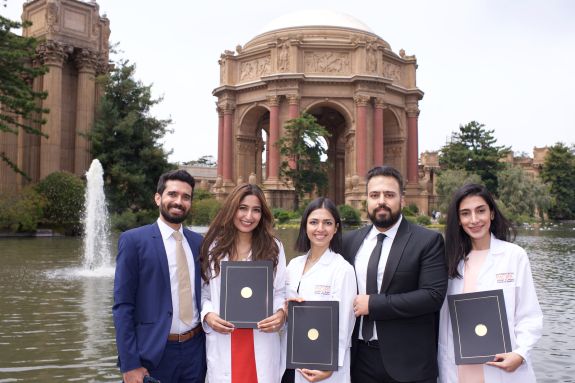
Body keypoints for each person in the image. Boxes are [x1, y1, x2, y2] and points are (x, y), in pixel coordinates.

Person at [341, 165, 448, 383]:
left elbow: (432, 296)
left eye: (389, 195)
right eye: (374, 195)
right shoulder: (349, 242)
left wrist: (374, 304)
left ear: (402, 200)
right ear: (367, 200)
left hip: (408, 363)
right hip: (358, 360)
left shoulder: (427, 241)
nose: (381, 201)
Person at [438, 183, 543, 383]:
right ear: (458, 220)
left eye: (481, 211)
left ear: (492, 214)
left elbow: (529, 315)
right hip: (456, 367)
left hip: (501, 366)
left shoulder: (514, 256)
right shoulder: (448, 260)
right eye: (465, 213)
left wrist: (520, 354)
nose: (474, 220)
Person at [113, 169, 206, 383]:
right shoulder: (134, 241)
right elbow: (123, 306)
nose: (179, 201)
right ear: (158, 198)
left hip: (195, 351)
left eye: (186, 197)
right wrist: (130, 364)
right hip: (154, 353)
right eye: (172, 194)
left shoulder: (199, 243)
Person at [200, 183, 287, 383]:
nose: (249, 216)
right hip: (224, 336)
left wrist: (280, 314)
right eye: (243, 208)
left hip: (261, 337)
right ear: (232, 209)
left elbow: (280, 291)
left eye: (256, 210)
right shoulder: (213, 247)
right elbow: (204, 293)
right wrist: (209, 315)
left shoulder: (274, 248)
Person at [282, 197, 357, 383]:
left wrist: (329, 365)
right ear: (305, 226)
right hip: (290, 358)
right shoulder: (293, 265)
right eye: (314, 222)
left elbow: (345, 323)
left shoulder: (342, 269)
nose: (320, 229)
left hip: (322, 365)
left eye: (328, 223)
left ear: (336, 228)